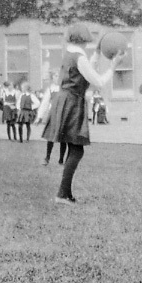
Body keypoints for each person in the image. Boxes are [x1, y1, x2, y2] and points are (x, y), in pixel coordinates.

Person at [42, 23, 124, 204]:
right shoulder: (79, 57)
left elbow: (87, 68)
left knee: (75, 148)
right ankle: (62, 194)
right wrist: (113, 66)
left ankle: (65, 193)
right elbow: (98, 81)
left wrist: (96, 53)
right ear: (83, 38)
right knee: (77, 150)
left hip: (66, 101)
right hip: (71, 102)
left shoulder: (71, 53)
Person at [36, 72, 67, 166]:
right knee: (50, 137)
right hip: (53, 114)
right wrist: (39, 117)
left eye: (59, 75)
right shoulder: (50, 89)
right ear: (52, 78)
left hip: (63, 114)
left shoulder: (65, 88)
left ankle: (61, 159)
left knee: (63, 138)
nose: (57, 78)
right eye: (55, 76)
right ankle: (47, 158)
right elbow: (44, 103)